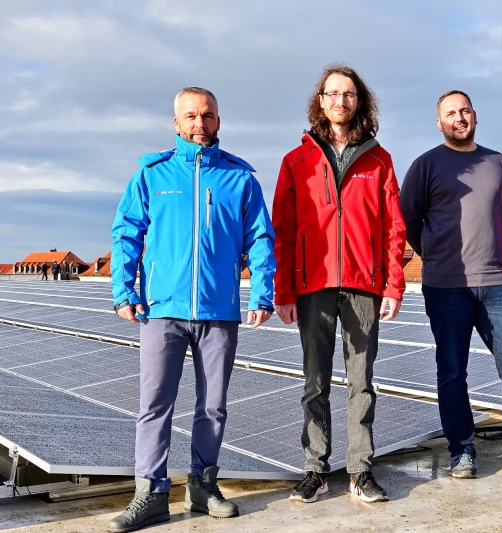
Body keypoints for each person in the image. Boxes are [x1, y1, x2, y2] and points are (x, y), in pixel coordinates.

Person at [108, 87, 276, 532]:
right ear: (176, 123)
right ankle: (151, 494)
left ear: (219, 121)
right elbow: (126, 232)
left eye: (207, 115)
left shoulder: (240, 179)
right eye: (190, 116)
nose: (199, 123)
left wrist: (262, 292)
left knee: (213, 405)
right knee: (154, 404)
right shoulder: (151, 175)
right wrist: (123, 290)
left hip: (219, 310)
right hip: (162, 309)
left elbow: (260, 239)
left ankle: (203, 485)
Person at [400, 90, 502, 481]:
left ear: (475, 115)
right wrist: (438, 257)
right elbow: (408, 220)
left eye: (465, 110)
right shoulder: (425, 166)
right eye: (450, 113)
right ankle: (461, 451)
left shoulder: (498, 162)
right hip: (445, 285)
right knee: (452, 371)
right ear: (439, 123)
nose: (459, 117)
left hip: (495, 282)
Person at [272, 65, 406, 504]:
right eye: (332, 94)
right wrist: (283, 291)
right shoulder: (297, 161)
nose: (340, 102)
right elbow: (284, 230)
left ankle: (359, 469)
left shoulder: (379, 160)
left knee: (361, 381)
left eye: (348, 94)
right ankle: (315, 469)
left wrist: (393, 285)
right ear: (320, 101)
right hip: (312, 287)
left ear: (359, 102)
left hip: (364, 285)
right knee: (315, 381)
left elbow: (393, 229)